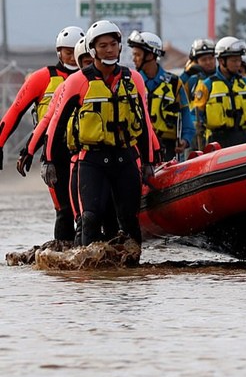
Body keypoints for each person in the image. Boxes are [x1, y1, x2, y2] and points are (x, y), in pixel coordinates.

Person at [41, 20, 158, 247]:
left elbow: (144, 123)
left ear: (120, 47)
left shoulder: (133, 79)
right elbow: (56, 123)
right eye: (103, 45)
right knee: (90, 218)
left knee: (129, 221)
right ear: (93, 50)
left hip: (125, 158)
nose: (109, 50)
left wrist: (148, 161)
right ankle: (88, 277)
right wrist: (49, 160)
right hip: (91, 162)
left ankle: (132, 277)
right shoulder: (77, 81)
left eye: (113, 44)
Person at [0, 25, 85, 241]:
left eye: (77, 51)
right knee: (64, 211)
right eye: (68, 52)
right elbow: (15, 111)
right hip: (53, 153)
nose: (73, 57)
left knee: (87, 211)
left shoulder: (92, 77)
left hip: (85, 151)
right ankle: (63, 264)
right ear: (59, 52)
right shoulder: (42, 77)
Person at [191, 36, 246, 148]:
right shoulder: (206, 86)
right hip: (217, 145)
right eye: (234, 60)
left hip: (245, 142)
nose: (238, 64)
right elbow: (195, 117)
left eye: (239, 60)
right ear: (221, 61)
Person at [128, 30, 195, 161]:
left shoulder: (174, 83)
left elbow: (185, 113)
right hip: (138, 146)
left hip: (168, 148)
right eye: (133, 54)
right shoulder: (130, 82)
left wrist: (186, 139)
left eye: (137, 54)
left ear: (150, 55)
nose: (133, 58)